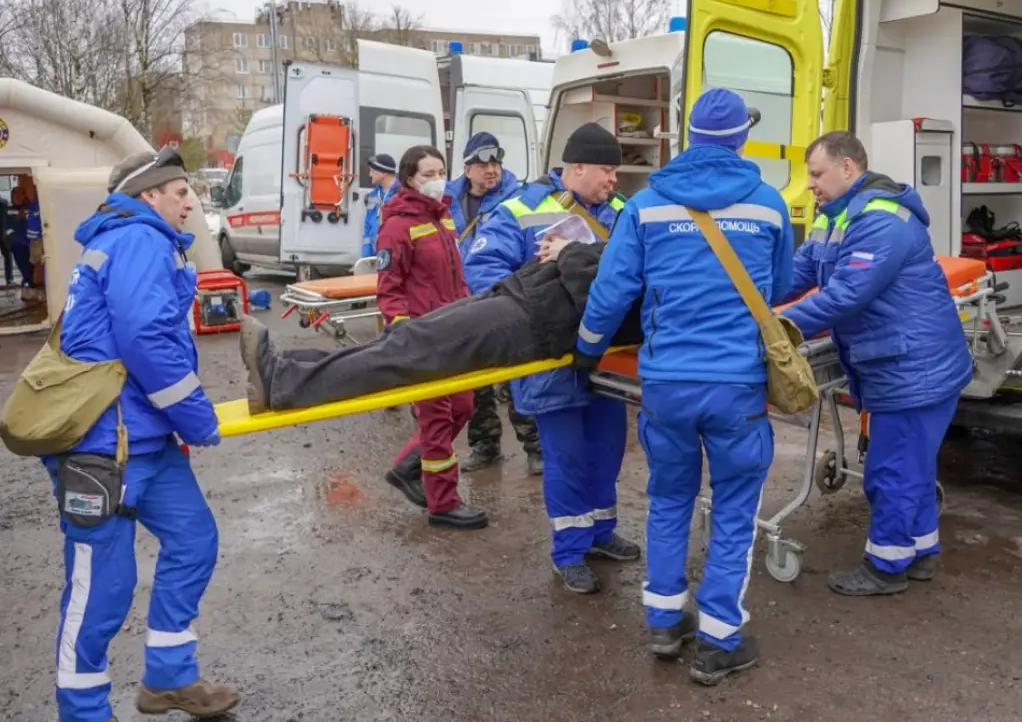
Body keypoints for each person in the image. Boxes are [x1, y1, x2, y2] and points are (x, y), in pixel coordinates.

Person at [572, 88, 792, 685]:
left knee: (669, 498)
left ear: (687, 137)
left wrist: (586, 353)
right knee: (734, 507)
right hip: (737, 388)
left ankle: (666, 621)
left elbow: (611, 292)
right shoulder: (770, 206)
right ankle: (720, 638)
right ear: (741, 138)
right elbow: (781, 285)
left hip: (666, 384)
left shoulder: (645, 207)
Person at [46, 147, 238, 722]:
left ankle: (168, 680)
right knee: (102, 586)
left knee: (193, 540)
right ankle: (82, 713)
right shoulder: (139, 239)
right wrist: (198, 419)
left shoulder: (138, 239)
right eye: (180, 192)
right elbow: (146, 339)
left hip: (143, 440)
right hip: (102, 448)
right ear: (148, 194)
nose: (190, 202)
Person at [779, 130, 972, 597]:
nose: (811, 185)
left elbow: (847, 294)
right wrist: (746, 299)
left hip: (913, 370)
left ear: (848, 168)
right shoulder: (837, 217)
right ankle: (920, 553)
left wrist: (772, 328)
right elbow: (797, 273)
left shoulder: (881, 220)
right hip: (903, 364)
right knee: (913, 468)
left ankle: (885, 567)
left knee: (891, 470)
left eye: (817, 173)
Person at [460, 122, 640, 593]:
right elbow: (483, 272)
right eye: (605, 169)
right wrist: (537, 304)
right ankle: (570, 551)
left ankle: (600, 531)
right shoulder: (519, 209)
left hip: (607, 359)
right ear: (575, 167)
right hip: (551, 359)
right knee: (566, 457)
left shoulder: (624, 212)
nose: (612, 179)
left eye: (615, 170)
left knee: (607, 450)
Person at [238, 237, 642, 413]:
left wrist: (571, 252)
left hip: (533, 322)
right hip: (525, 297)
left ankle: (283, 385)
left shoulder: (672, 273)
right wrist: (577, 255)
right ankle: (285, 370)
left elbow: (598, 292)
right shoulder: (670, 246)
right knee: (404, 339)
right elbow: (601, 268)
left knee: (406, 353)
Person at [355, 145, 488, 530]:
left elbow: (456, 276)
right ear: (410, 178)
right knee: (436, 417)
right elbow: (389, 286)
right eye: (428, 173)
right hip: (423, 336)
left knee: (462, 406)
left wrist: (470, 312)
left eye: (440, 171)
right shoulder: (397, 225)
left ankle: (407, 467)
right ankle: (443, 503)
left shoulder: (444, 218)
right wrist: (401, 327)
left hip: (454, 330)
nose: (436, 179)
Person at [446, 132, 542, 475]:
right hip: (463, 301)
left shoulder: (516, 199)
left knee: (517, 378)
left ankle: (535, 449)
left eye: (496, 163)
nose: (492, 170)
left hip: (505, 299)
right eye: (484, 164)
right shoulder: (447, 200)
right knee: (477, 382)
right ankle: (485, 446)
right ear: (467, 167)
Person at [361, 153, 401, 258]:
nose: (370, 175)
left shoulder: (402, 195)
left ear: (383, 173)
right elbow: (368, 227)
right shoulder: (373, 196)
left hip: (394, 257)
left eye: (372, 171)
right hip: (373, 257)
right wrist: (366, 255)